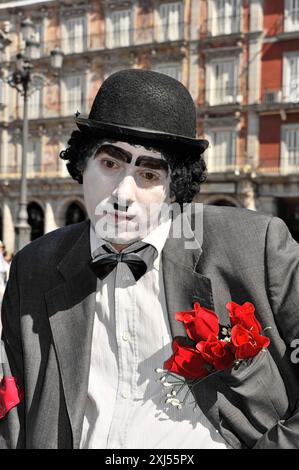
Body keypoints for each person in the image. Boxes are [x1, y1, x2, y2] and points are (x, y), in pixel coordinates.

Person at [0, 69, 299, 449]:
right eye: (110, 164)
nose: (124, 193)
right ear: (81, 163)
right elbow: (12, 409)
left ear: (175, 186)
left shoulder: (256, 246)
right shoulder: (34, 266)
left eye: (147, 174)